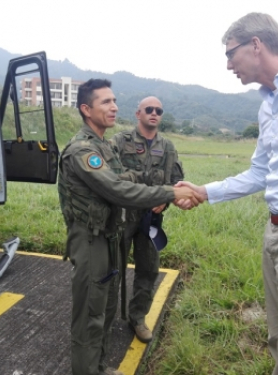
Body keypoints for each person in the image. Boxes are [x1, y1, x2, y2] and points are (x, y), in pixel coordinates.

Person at [176, 12, 278, 375]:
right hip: (277, 234)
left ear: (256, 45)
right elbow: (261, 173)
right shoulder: (269, 104)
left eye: (230, 53)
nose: (227, 65)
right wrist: (205, 190)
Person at [58, 78, 202, 375]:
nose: (114, 107)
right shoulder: (85, 151)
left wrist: (166, 190)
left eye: (114, 101)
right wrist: (171, 192)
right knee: (90, 314)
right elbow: (119, 191)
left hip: (108, 235)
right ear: (86, 109)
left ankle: (98, 367)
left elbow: (126, 180)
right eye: (106, 102)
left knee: (105, 308)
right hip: (90, 239)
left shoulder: (103, 147)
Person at [110, 96, 184, 343]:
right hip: (123, 216)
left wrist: (165, 199)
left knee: (149, 270)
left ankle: (137, 318)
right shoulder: (121, 141)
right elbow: (109, 175)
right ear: (138, 113)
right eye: (149, 109)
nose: (154, 113)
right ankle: (104, 320)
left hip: (151, 219)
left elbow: (176, 179)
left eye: (159, 110)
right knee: (112, 268)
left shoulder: (168, 147)